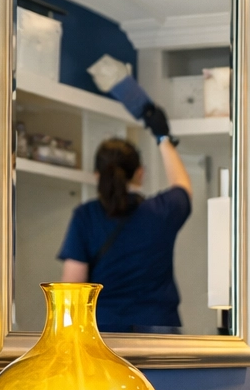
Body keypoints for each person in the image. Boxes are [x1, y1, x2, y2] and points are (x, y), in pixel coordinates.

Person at [58, 109, 192, 333]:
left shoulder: (86, 216)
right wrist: (163, 138)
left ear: (97, 175)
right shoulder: (161, 211)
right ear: (140, 173)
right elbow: (182, 185)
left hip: (105, 331)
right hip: (160, 329)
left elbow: (73, 285)